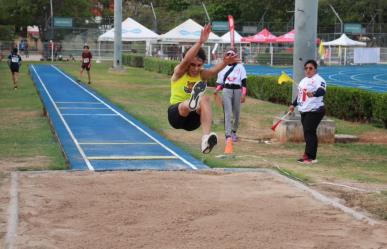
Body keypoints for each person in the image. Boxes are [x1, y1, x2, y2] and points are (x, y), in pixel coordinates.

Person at [168, 24, 238, 154]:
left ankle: (205, 138)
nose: (195, 68)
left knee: (205, 98)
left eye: (199, 65)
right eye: (192, 65)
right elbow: (186, 60)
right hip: (176, 115)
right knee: (186, 105)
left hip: (192, 122)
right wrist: (200, 42)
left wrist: (225, 63)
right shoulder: (179, 72)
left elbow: (213, 71)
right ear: (187, 64)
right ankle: (192, 102)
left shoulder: (202, 74)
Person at [289, 59, 326, 164]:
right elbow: (300, 96)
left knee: (309, 132)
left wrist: (313, 93)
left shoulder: (318, 79)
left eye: (311, 68)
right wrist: (293, 104)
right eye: (306, 68)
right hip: (304, 111)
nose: (308, 70)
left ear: (315, 69)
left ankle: (310, 157)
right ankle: (309, 155)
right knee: (308, 133)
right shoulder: (303, 81)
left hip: (315, 110)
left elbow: (322, 90)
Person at [215, 48, 247, 153]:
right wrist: (217, 90)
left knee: (236, 114)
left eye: (231, 55)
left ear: (235, 56)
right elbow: (221, 83)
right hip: (226, 90)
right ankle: (228, 135)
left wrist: (244, 94)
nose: (229, 56)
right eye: (227, 55)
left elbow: (244, 82)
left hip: (237, 90)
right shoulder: (222, 68)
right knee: (227, 113)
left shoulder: (240, 67)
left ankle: (234, 131)